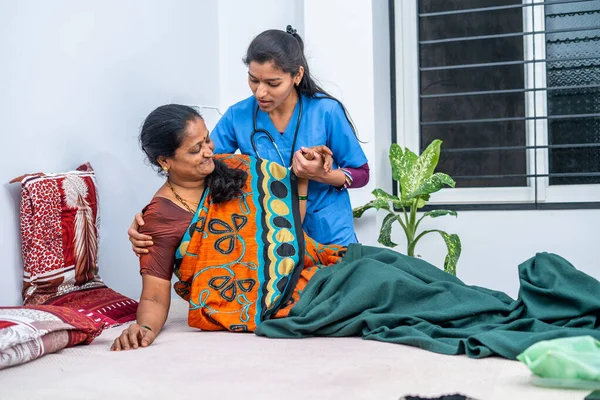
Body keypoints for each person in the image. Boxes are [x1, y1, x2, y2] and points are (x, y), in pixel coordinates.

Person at [112, 104, 344, 351]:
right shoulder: (160, 219)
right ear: (165, 160)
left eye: (208, 140)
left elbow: (288, 227)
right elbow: (154, 296)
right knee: (380, 288)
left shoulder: (236, 169)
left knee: (378, 266)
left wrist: (304, 174)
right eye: (195, 149)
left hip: (311, 265)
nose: (209, 152)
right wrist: (144, 328)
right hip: (276, 303)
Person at [127, 25, 369, 252]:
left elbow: (361, 173)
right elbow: (196, 168)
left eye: (272, 83)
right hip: (272, 234)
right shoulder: (238, 116)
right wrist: (154, 214)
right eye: (254, 80)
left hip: (329, 230)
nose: (260, 92)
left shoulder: (326, 111)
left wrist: (321, 174)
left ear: (297, 76)